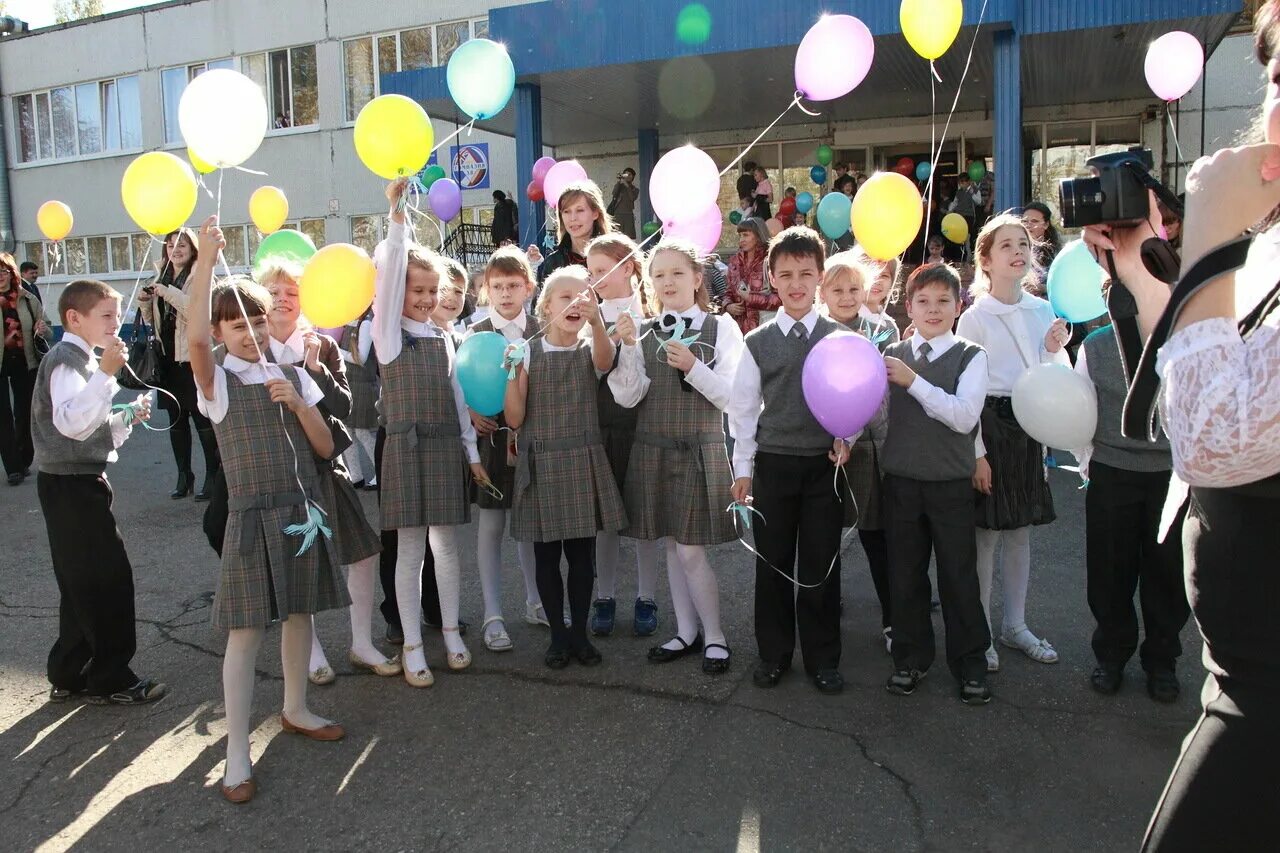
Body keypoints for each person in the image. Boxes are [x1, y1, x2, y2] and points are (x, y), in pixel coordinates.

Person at [1082, 6, 1280, 845]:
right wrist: (1142, 268)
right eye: (1275, 77)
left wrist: (1204, 247)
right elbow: (1212, 382)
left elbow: (1213, 439)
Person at [187, 218, 346, 804]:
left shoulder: (288, 371)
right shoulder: (219, 383)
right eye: (238, 325)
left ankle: (296, 707)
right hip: (252, 518)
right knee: (247, 631)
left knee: (301, 614)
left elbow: (326, 448)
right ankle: (235, 751)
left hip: (301, 513)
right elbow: (197, 344)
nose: (251, 333)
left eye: (257, 321)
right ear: (221, 331)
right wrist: (206, 260)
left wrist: (300, 406)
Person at [374, 179, 490, 688]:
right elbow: (389, 281)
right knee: (409, 549)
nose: (423, 299)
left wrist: (472, 455)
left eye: (430, 292)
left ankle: (449, 630)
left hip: (444, 449)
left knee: (446, 546)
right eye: (414, 291)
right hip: (404, 449)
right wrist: (397, 217)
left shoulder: (446, 337)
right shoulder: (388, 335)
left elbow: (460, 402)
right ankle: (413, 643)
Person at [609, 239, 744, 674]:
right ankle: (686, 631)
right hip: (653, 449)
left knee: (690, 550)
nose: (668, 282)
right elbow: (628, 398)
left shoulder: (721, 328)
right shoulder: (645, 330)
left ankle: (716, 635)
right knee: (671, 544)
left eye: (677, 273)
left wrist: (692, 367)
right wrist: (628, 349)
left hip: (698, 449)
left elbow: (734, 398)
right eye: (659, 275)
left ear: (698, 278)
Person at [258, 260, 395, 687]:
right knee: (300, 561)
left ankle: (360, 641)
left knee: (363, 553)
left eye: (292, 293)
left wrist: (315, 367)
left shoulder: (323, 346)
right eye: (274, 293)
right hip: (281, 471)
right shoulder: (253, 350)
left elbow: (347, 409)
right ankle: (310, 650)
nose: (283, 300)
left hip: (324, 465)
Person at [727, 226, 850, 695]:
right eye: (785, 275)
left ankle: (823, 658)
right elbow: (743, 408)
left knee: (821, 564)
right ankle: (774, 654)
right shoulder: (757, 343)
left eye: (805, 273)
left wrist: (849, 438)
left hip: (825, 467)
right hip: (774, 466)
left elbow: (855, 395)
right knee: (773, 564)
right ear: (771, 279)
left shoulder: (840, 337)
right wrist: (743, 469)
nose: (796, 283)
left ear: (820, 276)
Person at [32, 278, 164, 708]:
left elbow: (86, 428)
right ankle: (110, 677)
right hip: (70, 486)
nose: (116, 322)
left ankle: (69, 672)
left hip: (75, 482)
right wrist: (107, 375)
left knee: (80, 582)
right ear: (74, 318)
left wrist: (126, 416)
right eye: (106, 315)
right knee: (107, 582)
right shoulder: (67, 358)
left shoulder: (82, 360)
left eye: (117, 313)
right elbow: (71, 422)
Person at [956, 214, 1071, 672]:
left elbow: (1050, 375)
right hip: (989, 424)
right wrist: (977, 453)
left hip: (1029, 426)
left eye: (1023, 243)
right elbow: (966, 392)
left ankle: (1015, 625)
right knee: (985, 536)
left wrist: (1054, 346)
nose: (1018, 251)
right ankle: (981, 629)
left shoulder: (1042, 310)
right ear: (986, 259)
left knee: (1020, 531)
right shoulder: (974, 317)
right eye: (1006, 245)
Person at [880, 263, 993, 705]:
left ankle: (970, 664)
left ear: (958, 306)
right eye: (923, 301)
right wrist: (844, 436)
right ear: (908, 307)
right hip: (902, 482)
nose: (933, 309)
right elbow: (869, 408)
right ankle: (909, 659)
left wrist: (914, 382)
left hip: (949, 485)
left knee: (958, 577)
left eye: (943, 300)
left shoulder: (971, 355)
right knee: (905, 577)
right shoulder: (891, 352)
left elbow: (965, 416)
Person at [504, 266, 626, 668]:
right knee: (545, 558)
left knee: (581, 557)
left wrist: (598, 322)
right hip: (541, 464)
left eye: (583, 296)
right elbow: (516, 419)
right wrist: (513, 374)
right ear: (545, 306)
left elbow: (606, 362)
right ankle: (557, 634)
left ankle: (579, 635)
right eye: (565, 296)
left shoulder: (590, 348)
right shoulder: (529, 352)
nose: (575, 302)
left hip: (581, 461)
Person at [1071, 324, 1187, 702]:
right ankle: (1111, 654)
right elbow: (1079, 407)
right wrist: (1089, 462)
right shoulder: (1096, 345)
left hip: (1171, 475)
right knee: (1109, 570)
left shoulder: (1188, 339)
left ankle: (1162, 660)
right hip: (1112, 469)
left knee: (1168, 573)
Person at [464, 246, 549, 651]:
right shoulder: (475, 333)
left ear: (528, 287)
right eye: (496, 286)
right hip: (493, 442)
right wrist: (468, 410)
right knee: (492, 526)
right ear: (485, 289)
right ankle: (493, 614)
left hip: (533, 441)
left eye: (513, 285)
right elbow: (458, 382)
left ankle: (536, 601)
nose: (505, 293)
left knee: (530, 527)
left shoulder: (542, 328)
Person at [818, 251, 897, 653]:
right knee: (825, 537)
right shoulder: (815, 333)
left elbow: (878, 391)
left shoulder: (883, 329)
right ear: (823, 293)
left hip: (870, 448)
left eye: (854, 288)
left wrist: (851, 435)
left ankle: (892, 619)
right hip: (826, 451)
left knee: (877, 538)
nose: (846, 296)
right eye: (837, 289)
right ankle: (827, 612)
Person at [585, 234, 661, 636]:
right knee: (605, 521)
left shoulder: (653, 315)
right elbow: (591, 369)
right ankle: (606, 595)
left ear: (628, 268)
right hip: (604, 427)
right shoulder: (590, 317)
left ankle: (647, 596)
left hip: (644, 429)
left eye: (602, 271)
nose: (595, 280)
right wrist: (607, 335)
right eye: (590, 272)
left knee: (644, 516)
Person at [138, 228, 221, 501]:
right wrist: (145, 304)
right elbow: (153, 323)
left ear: (193, 247)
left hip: (192, 359)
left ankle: (213, 475)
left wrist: (166, 292)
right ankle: (184, 475)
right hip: (167, 360)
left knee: (202, 421)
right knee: (176, 422)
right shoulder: (161, 275)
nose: (176, 249)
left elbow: (197, 309)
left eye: (182, 244)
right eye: (171, 244)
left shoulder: (201, 274)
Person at [2, 253, 50, 485]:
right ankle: (13, 467)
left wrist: (42, 329)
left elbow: (47, 327)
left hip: (24, 360)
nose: (0, 277)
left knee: (25, 413)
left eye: (4, 272)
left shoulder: (27, 299)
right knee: (3, 416)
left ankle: (23, 459)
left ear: (12, 274)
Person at [535, 180, 615, 284]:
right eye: (567, 211)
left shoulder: (613, 256)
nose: (573, 218)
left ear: (595, 213)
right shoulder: (553, 262)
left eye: (580, 210)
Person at [340, 309, 378, 490]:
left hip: (363, 384)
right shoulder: (349, 322)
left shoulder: (366, 323)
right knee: (347, 430)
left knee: (363, 431)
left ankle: (381, 473)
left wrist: (337, 350)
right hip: (349, 382)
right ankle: (356, 476)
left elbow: (361, 357)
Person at [722, 217, 777, 334]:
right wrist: (728, 305)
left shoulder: (771, 261)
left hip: (764, 329)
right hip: (738, 330)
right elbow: (728, 291)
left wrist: (750, 298)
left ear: (758, 235)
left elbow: (781, 298)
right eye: (740, 236)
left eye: (745, 235)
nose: (741, 240)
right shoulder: (735, 261)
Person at [609, 168, 640, 238]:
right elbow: (614, 193)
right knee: (616, 236)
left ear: (633, 177)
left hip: (628, 215)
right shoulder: (619, 186)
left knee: (628, 237)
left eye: (630, 175)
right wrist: (619, 181)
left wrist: (626, 185)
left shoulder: (635, 189)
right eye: (626, 174)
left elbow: (632, 198)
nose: (628, 176)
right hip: (617, 214)